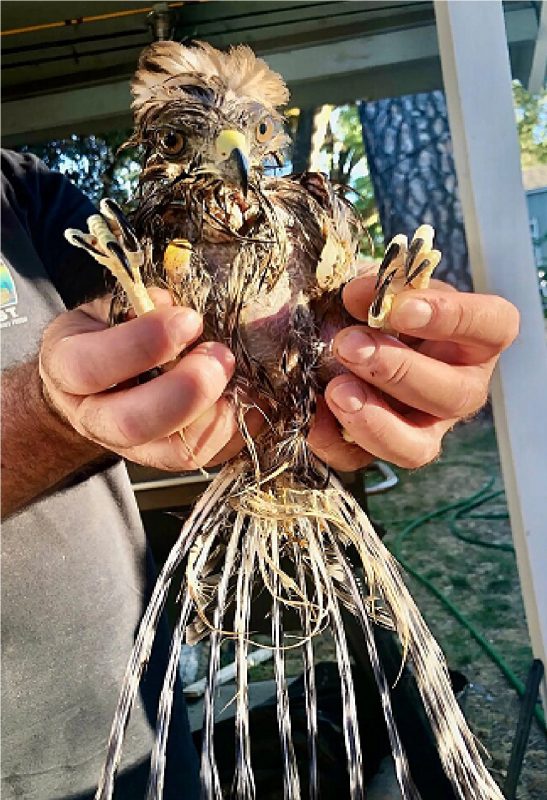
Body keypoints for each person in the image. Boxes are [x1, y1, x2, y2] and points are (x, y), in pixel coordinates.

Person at [1, 149, 519, 799]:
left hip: (140, 715)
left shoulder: (20, 191)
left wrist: (375, 339)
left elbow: (139, 315)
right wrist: (49, 415)